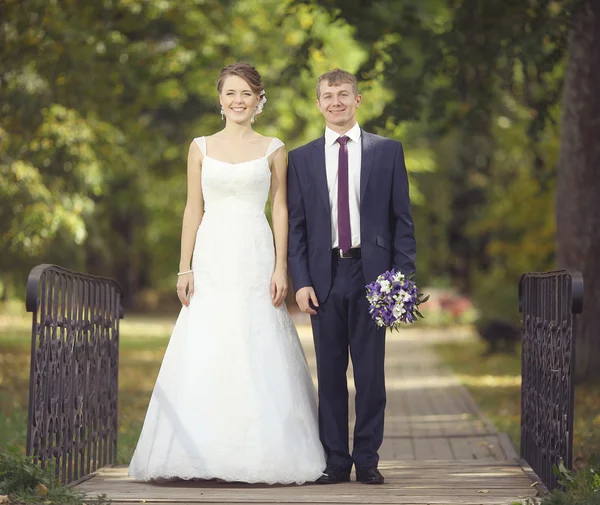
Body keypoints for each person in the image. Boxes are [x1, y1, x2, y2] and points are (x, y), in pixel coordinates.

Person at [128, 63, 326, 485]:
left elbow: (280, 209)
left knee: (257, 341)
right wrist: (185, 267)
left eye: (247, 94)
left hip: (256, 255)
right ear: (220, 100)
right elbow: (192, 209)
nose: (238, 100)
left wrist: (281, 266)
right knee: (207, 342)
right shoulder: (199, 146)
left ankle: (264, 451)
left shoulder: (274, 147)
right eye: (231, 93)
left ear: (259, 100)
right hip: (212, 254)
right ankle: (197, 453)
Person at [287, 69, 416, 485]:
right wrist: (301, 280)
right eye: (328, 96)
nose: (336, 102)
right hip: (325, 275)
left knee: (370, 375)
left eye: (344, 94)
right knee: (329, 376)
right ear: (319, 103)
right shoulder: (301, 158)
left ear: (358, 100)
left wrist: (400, 280)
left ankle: (368, 459)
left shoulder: (387, 151)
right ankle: (336, 462)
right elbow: (298, 229)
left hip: (372, 274)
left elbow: (403, 221)